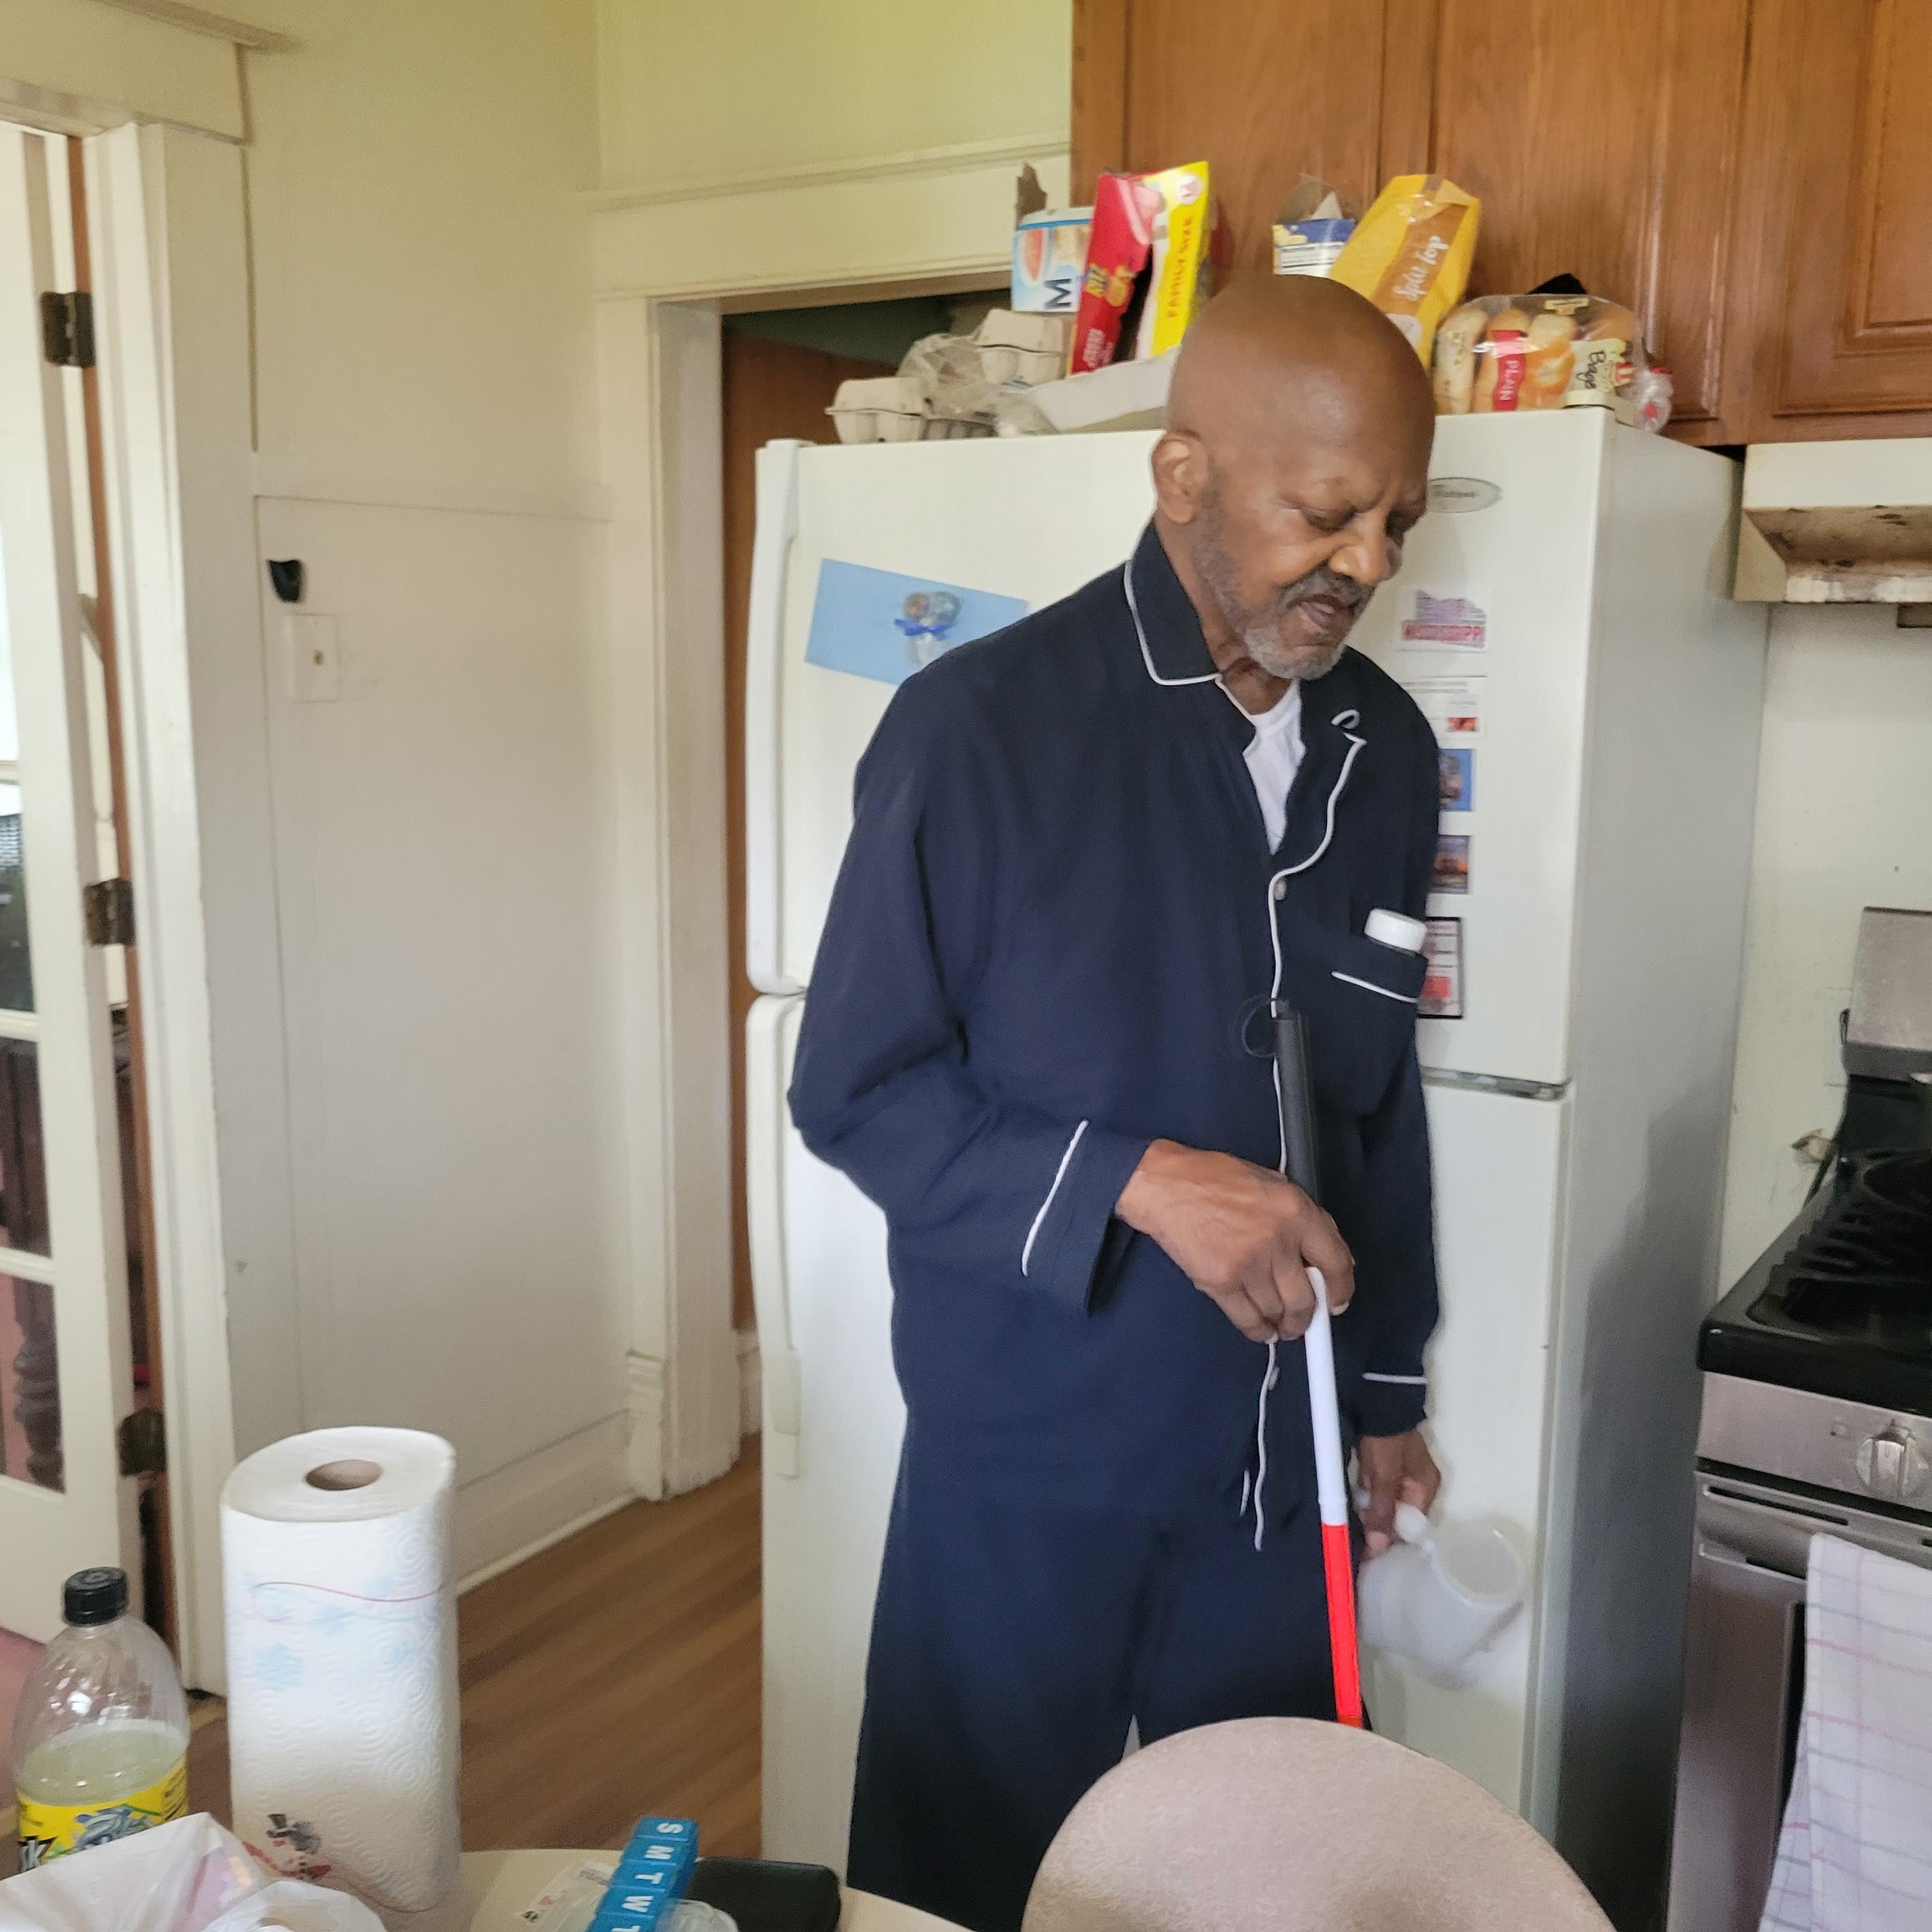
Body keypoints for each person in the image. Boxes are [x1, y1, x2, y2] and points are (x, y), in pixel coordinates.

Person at [788, 275, 1445, 1932]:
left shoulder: (1384, 747)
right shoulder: (979, 730)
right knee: (969, 1878)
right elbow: (854, 1089)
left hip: (1272, 1464)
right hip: (1028, 1454)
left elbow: (1373, 1105)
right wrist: (1142, 1178)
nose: (1366, 564)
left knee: (1271, 1869)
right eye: (1326, 513)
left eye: (1398, 521)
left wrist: (1378, 1395)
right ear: (1182, 480)